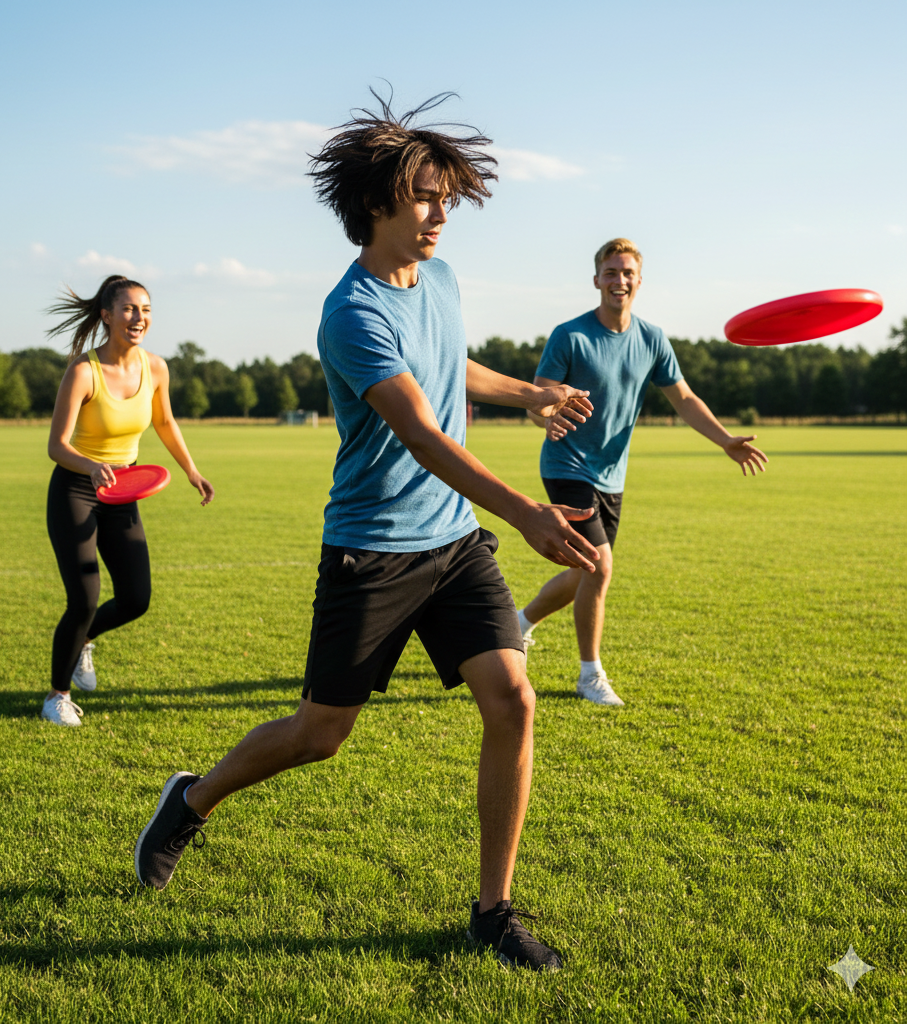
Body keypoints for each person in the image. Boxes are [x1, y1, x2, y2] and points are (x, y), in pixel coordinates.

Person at [133, 93, 600, 971]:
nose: (439, 213)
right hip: (372, 550)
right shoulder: (350, 313)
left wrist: (527, 393)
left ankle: (492, 912)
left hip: (454, 543)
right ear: (378, 200)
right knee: (320, 735)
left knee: (514, 699)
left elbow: (449, 362)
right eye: (425, 196)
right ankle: (192, 801)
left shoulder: (442, 281)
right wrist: (528, 514)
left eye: (447, 199)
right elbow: (421, 431)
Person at [515, 238, 768, 706]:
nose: (619, 280)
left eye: (627, 272)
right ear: (597, 280)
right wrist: (546, 415)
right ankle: (590, 675)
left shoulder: (652, 339)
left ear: (639, 281)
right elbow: (539, 397)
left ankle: (519, 624)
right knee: (602, 564)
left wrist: (725, 440)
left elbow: (685, 399)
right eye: (611, 272)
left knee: (587, 569)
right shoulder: (569, 336)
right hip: (566, 464)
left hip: (613, 474)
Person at [43, 275, 214, 726]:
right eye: (129, 309)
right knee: (84, 597)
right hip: (77, 488)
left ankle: (84, 640)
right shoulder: (84, 371)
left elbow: (165, 422)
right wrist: (90, 465)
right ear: (106, 315)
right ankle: (57, 696)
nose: (140, 318)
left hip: (123, 492)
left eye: (146, 309)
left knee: (137, 599)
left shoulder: (155, 368)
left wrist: (192, 471)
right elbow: (57, 445)